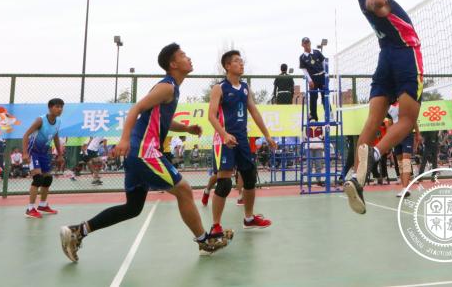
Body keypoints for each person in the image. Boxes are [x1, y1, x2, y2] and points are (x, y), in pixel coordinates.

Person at [60, 44, 231, 262]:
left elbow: (162, 121)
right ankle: (204, 241)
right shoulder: (167, 87)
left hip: (139, 153)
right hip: (145, 152)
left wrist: (186, 128)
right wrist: (124, 139)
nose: (189, 58)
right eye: (183, 55)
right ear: (173, 64)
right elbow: (136, 109)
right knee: (184, 189)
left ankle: (78, 231)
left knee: (132, 208)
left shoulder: (171, 89)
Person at [339, 0, 423, 215]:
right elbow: (377, 1)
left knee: (372, 122)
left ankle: (357, 177)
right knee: (407, 121)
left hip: (385, 57)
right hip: (405, 54)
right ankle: (375, 155)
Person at [207, 50, 278, 235]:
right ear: (227, 66)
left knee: (249, 177)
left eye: (241, 61)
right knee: (224, 184)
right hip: (224, 141)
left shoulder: (245, 87)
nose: (241, 64)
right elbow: (211, 116)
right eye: (237, 61)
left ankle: (249, 218)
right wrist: (224, 134)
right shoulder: (219, 88)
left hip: (242, 139)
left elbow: (254, 112)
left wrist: (267, 135)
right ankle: (215, 226)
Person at [21, 99, 66, 219]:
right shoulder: (40, 120)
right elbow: (25, 135)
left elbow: (55, 137)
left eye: (61, 107)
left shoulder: (58, 121)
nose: (60, 109)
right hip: (33, 152)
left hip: (44, 153)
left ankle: (42, 205)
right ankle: (30, 209)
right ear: (50, 108)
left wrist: (60, 155)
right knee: (38, 179)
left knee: (47, 179)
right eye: (57, 107)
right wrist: (25, 153)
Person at [388, 101, 421, 199]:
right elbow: (390, 123)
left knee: (406, 160)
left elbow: (413, 119)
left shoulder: (405, 102)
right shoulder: (389, 106)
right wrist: (389, 136)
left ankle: (406, 188)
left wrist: (418, 134)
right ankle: (404, 188)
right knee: (400, 163)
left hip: (407, 134)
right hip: (396, 136)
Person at [299, 37, 330, 123]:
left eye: (308, 42)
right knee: (313, 96)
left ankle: (329, 114)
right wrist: (309, 80)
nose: (307, 44)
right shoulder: (302, 57)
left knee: (325, 95)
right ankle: (313, 115)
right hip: (313, 78)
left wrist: (326, 76)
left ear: (310, 43)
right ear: (302, 45)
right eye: (305, 43)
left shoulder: (317, 52)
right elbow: (304, 70)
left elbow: (324, 63)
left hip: (322, 76)